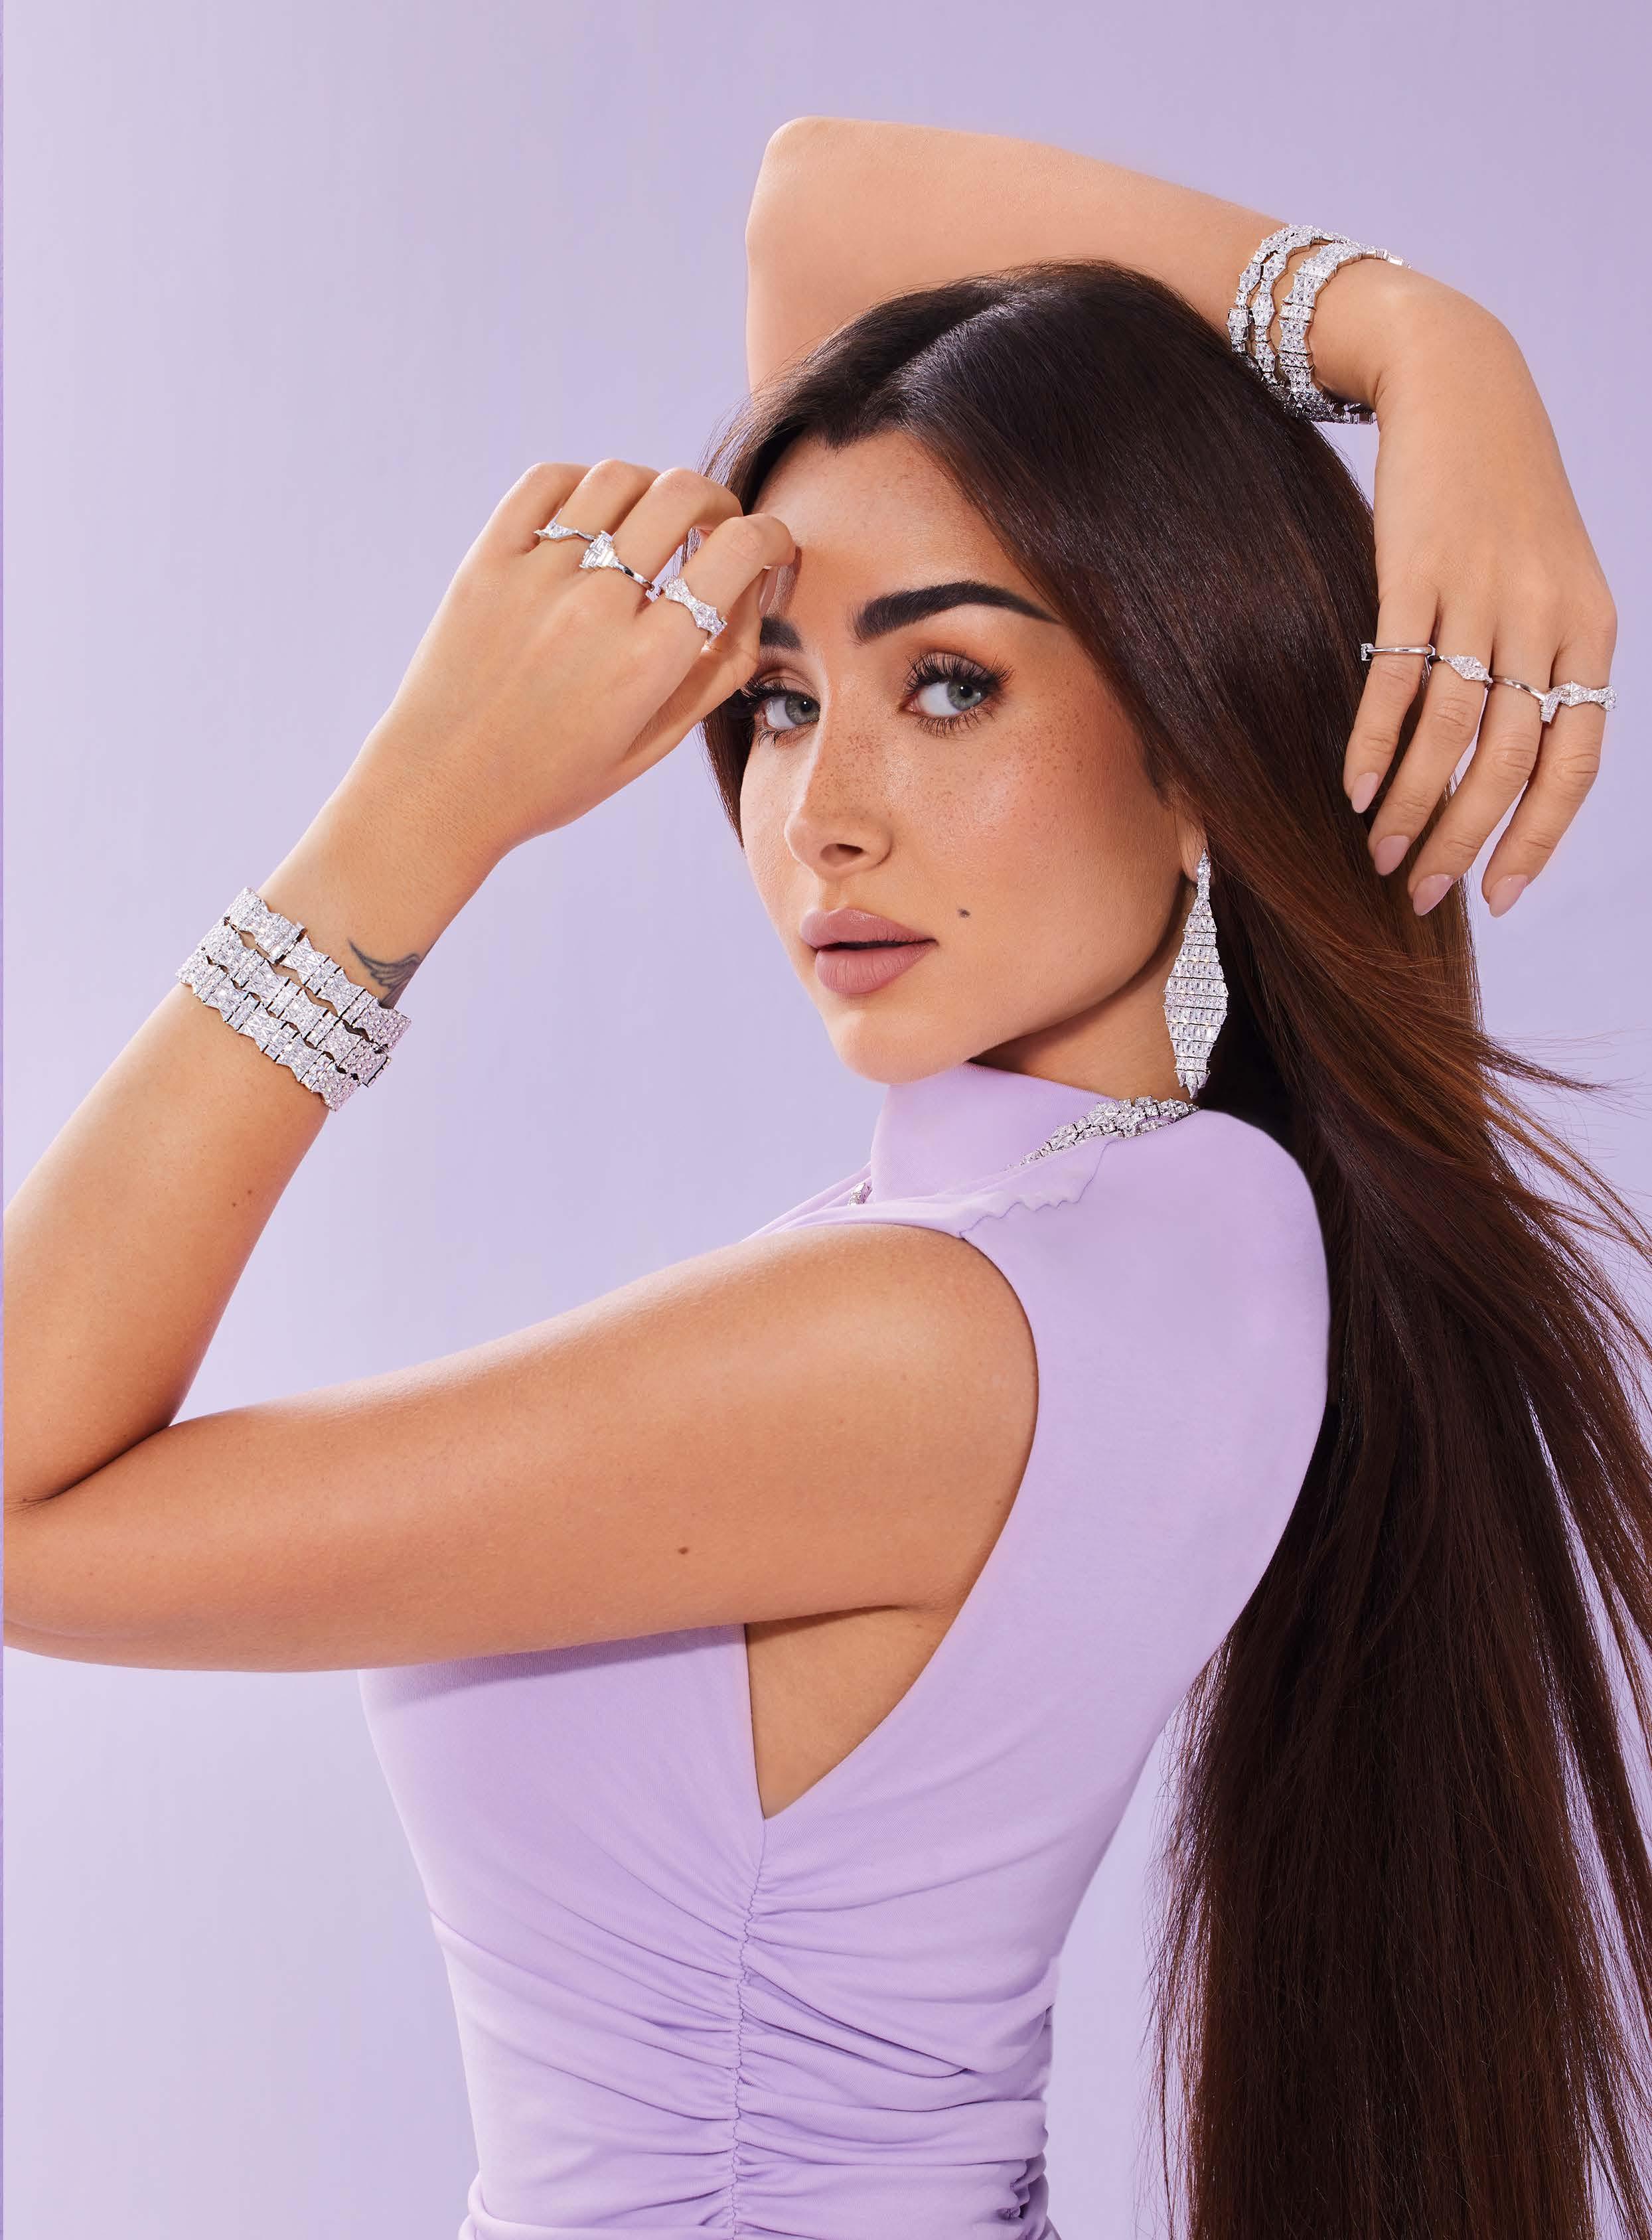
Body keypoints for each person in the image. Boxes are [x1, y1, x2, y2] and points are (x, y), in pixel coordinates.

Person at [5, 115, 1648, 2240]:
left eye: (950, 684)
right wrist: (1424, 348)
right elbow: (822, 214)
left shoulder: (940, 1330)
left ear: (1200, 757)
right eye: (779, 702)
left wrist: (415, 812)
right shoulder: (1209, 1224)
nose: (820, 815)